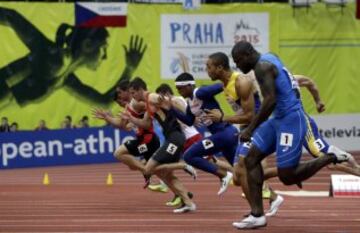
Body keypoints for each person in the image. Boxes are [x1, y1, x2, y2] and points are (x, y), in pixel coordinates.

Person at [231, 41, 350, 229]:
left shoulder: (262, 67)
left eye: (238, 61)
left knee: (287, 176)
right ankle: (257, 215)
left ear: (247, 55)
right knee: (251, 159)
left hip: (291, 119)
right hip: (278, 118)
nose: (237, 66)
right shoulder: (270, 56)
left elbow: (269, 101)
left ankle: (330, 156)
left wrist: (250, 129)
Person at [0, 7, 146, 107]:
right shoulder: (54, 56)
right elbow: (10, 16)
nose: (105, 57)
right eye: (103, 49)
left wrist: (129, 69)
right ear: (87, 45)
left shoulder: (66, 79)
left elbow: (105, 102)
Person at [204, 52, 284, 217]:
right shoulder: (225, 84)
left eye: (209, 67)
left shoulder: (241, 82)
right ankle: (265, 202)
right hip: (246, 129)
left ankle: (257, 212)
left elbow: (251, 116)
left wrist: (223, 118)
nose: (207, 70)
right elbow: (243, 113)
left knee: (243, 169)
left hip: (257, 127)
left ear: (220, 67)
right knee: (239, 177)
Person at [122, 78, 196, 213]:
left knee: (148, 168)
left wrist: (191, 115)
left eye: (133, 93)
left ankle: (184, 165)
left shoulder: (152, 97)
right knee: (166, 175)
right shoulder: (148, 103)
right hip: (171, 138)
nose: (132, 97)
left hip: (175, 137)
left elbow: (172, 101)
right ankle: (188, 203)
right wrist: (131, 119)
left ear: (140, 90)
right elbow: (145, 124)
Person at [172, 72, 237, 195]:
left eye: (180, 88)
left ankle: (223, 175)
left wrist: (233, 95)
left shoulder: (199, 92)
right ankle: (272, 196)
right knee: (240, 171)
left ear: (189, 86)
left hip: (224, 133)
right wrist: (171, 109)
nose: (178, 91)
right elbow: (189, 121)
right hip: (225, 138)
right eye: (177, 89)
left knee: (188, 156)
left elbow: (220, 85)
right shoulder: (190, 104)